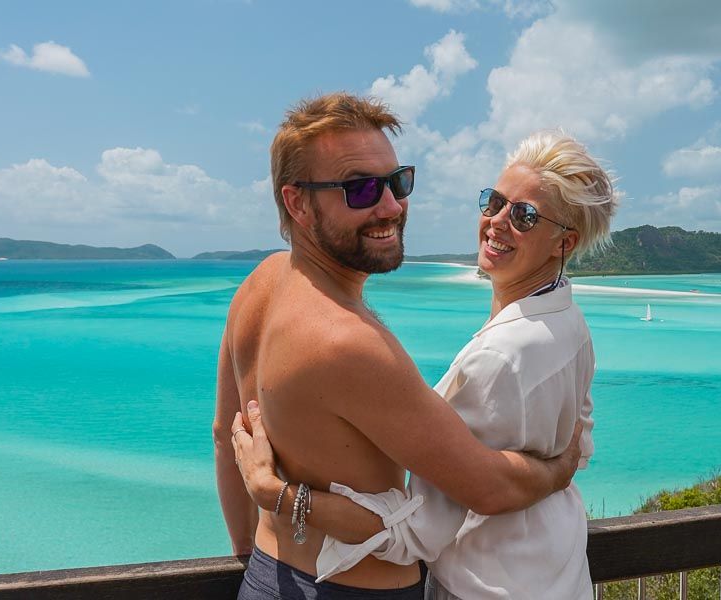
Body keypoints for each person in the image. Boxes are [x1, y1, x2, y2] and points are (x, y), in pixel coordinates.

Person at [213, 93, 585, 600]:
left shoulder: (261, 283)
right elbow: (487, 486)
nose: (390, 206)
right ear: (298, 202)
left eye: (397, 182)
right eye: (360, 189)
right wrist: (561, 467)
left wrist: (244, 561)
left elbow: (223, 434)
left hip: (267, 573)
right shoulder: (348, 343)